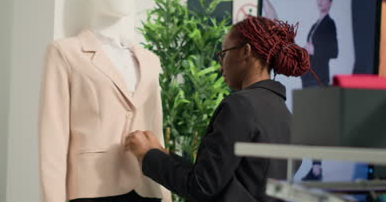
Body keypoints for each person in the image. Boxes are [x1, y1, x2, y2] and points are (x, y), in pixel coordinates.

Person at [124, 16, 318, 202]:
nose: (220, 66)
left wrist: (147, 155)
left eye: (223, 54)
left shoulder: (240, 105)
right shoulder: (285, 115)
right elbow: (217, 179)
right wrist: (162, 154)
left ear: (245, 52)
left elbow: (201, 187)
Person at [263, 0, 338, 87]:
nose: (320, 0)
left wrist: (314, 50)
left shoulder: (329, 23)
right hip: (308, 79)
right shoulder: (315, 25)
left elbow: (334, 51)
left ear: (330, 2)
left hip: (317, 80)